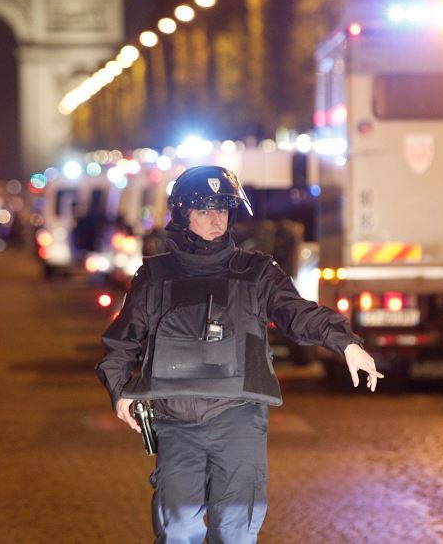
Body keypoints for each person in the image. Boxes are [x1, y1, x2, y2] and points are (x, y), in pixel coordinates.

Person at [96, 165, 383, 543]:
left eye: (223, 210)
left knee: (235, 532)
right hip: (176, 422)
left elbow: (295, 312)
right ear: (183, 216)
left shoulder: (258, 272)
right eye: (204, 211)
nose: (216, 220)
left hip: (238, 419)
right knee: (177, 530)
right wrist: (119, 392)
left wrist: (344, 341)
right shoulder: (155, 276)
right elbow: (121, 341)